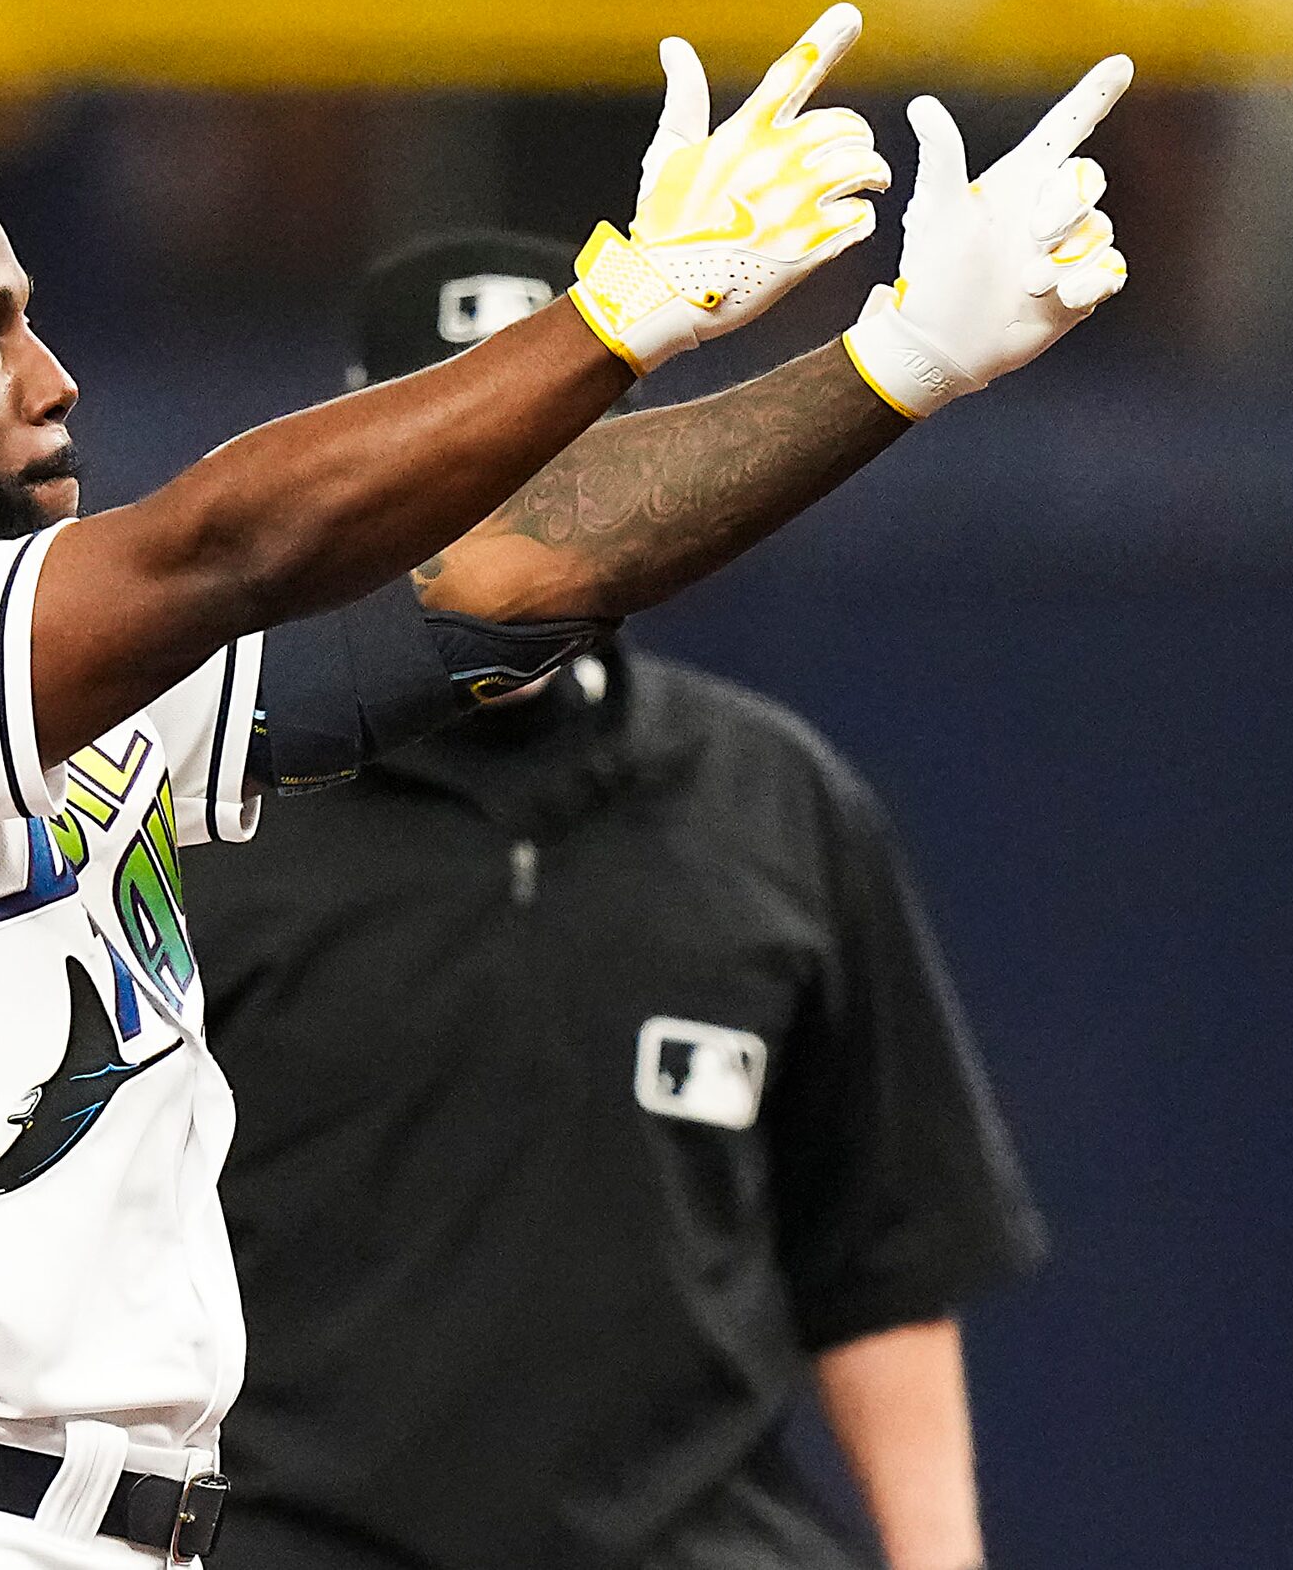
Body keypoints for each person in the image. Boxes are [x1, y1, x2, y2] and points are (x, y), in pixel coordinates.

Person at [0, 2, 1131, 1570]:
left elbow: (493, 585)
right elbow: (227, 545)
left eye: (29, 317)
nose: (50, 377)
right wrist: (628, 307)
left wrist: (891, 363)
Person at [183, 232, 1044, 1570]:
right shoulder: (196, 803)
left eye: (561, 456)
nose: (510, 507)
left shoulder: (772, 794)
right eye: (454, 456)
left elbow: (879, 1249)